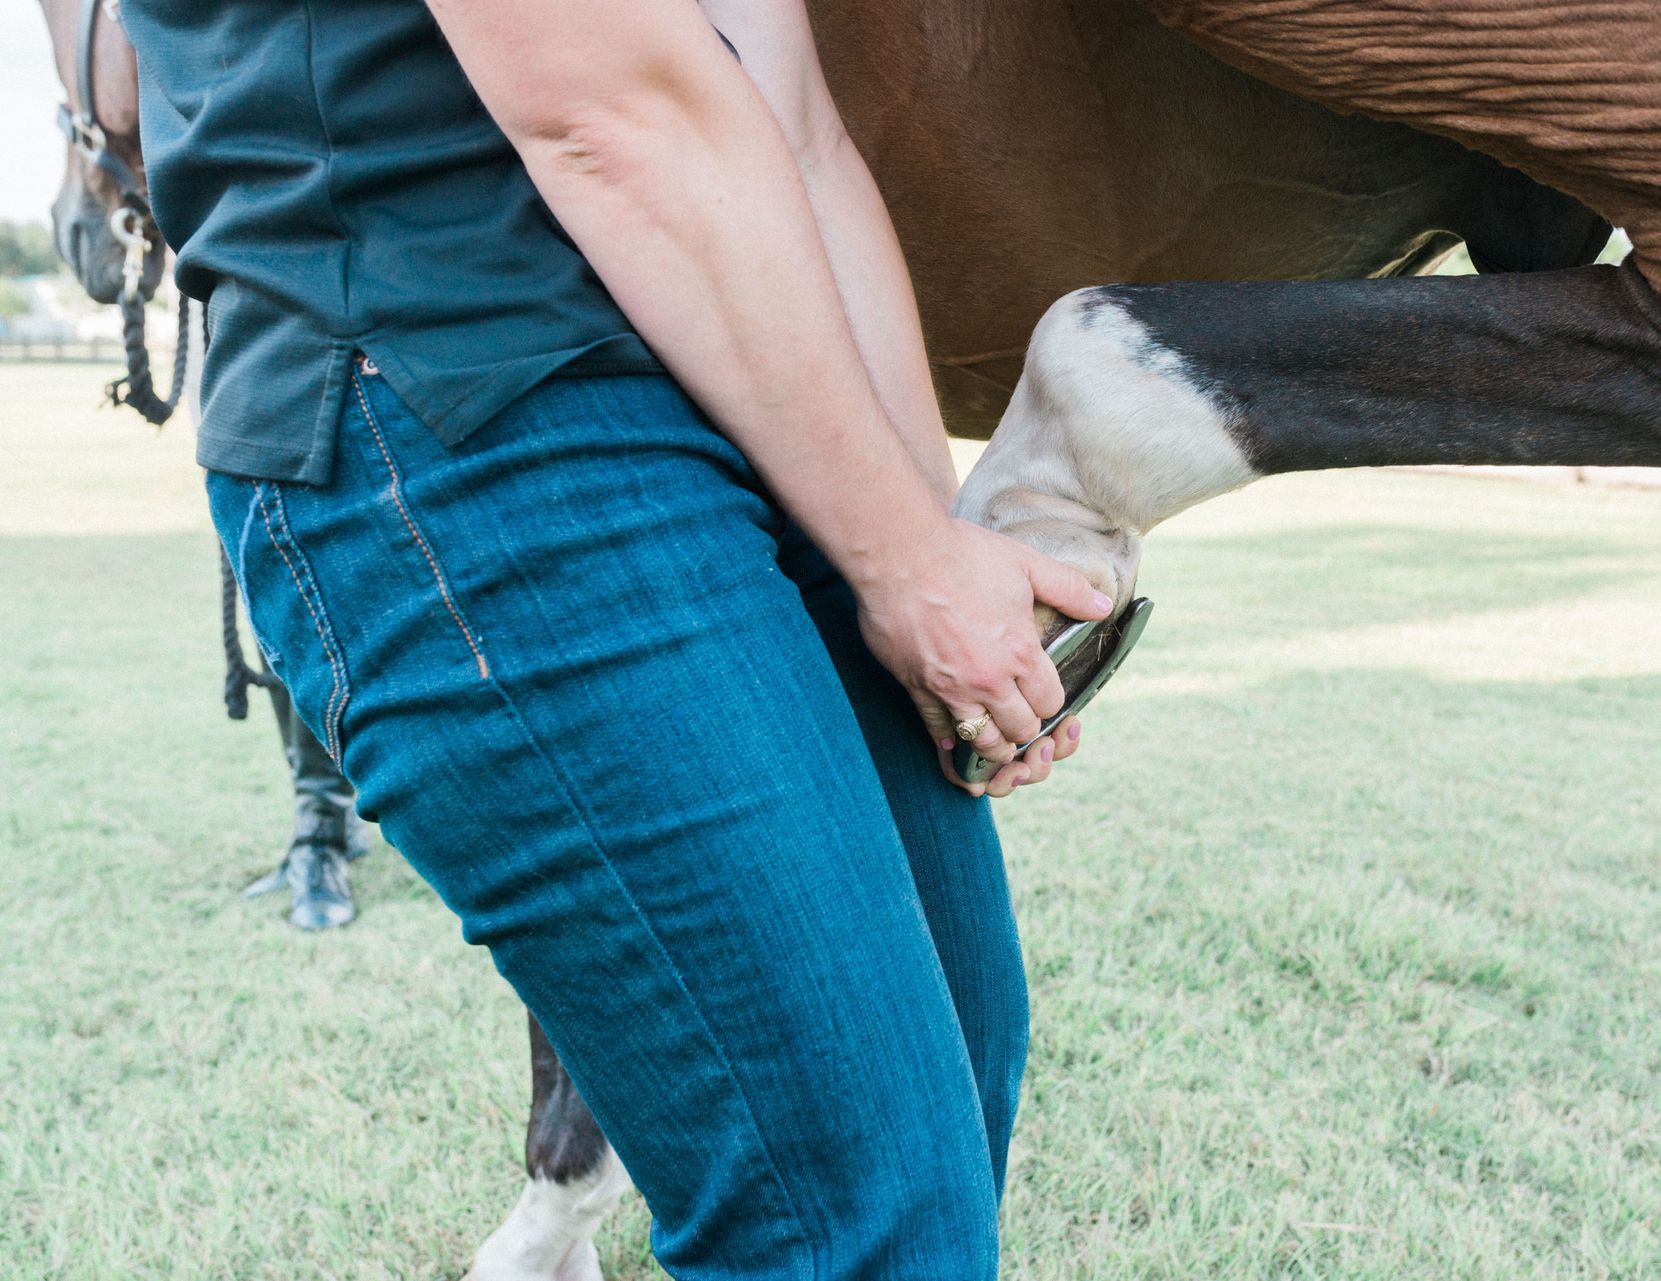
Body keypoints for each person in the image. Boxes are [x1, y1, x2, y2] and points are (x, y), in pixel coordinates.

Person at [119, 0, 1115, 1274]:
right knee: (865, 1221)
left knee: (949, 1106)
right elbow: (606, 113)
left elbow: (799, 129)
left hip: (751, 393)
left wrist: (936, 552)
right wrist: (907, 563)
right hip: (466, 406)